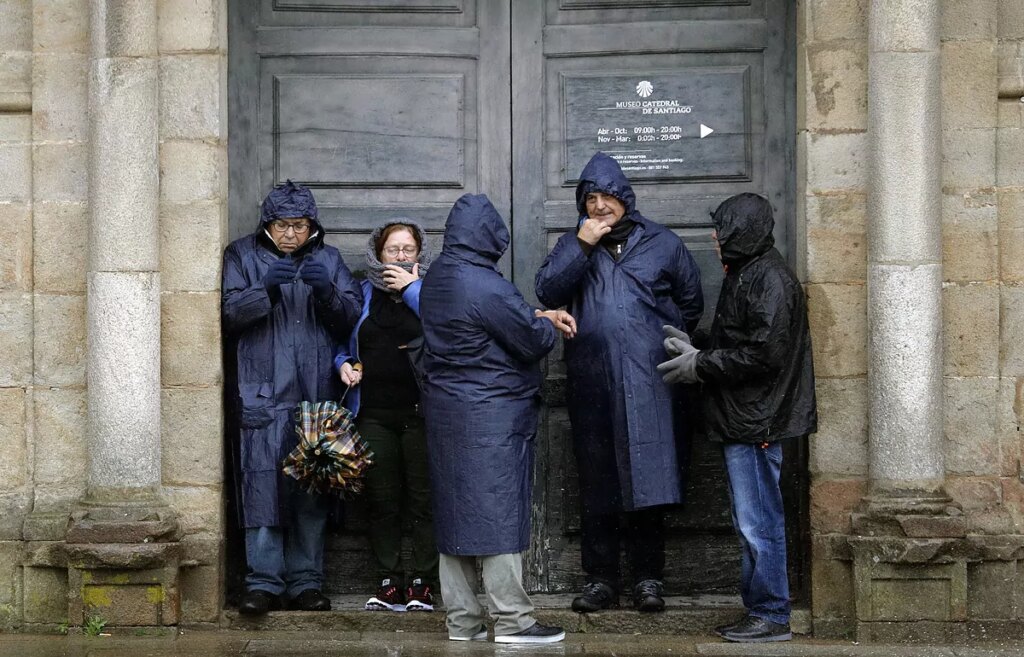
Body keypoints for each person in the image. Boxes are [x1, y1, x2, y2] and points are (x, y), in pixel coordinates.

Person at [535, 152, 704, 613]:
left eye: (607, 196)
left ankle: (649, 579)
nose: (599, 206)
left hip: (654, 386)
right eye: (591, 198)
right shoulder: (574, 243)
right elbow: (547, 291)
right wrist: (582, 246)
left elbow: (691, 303)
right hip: (593, 383)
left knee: (650, 480)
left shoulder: (663, 244)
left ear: (624, 198)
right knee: (598, 483)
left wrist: (650, 339)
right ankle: (600, 579)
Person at [657, 192, 817, 643]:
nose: (713, 235)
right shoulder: (746, 271)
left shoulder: (771, 280)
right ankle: (760, 611)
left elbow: (764, 353)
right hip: (743, 417)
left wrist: (701, 364)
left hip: (757, 421)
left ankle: (770, 614)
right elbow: (738, 336)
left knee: (758, 520)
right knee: (751, 518)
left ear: (741, 230)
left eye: (722, 227)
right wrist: (699, 343)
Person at [419, 193, 575, 644]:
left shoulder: (437, 278)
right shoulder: (484, 283)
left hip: (447, 412)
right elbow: (529, 340)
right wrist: (546, 323)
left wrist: (534, 314)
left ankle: (462, 623)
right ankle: (513, 621)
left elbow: (488, 324)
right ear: (490, 237)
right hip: (490, 414)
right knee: (497, 515)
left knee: (454, 518)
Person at [222, 180, 363, 615]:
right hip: (262, 391)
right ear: (268, 224)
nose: (290, 235)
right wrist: (261, 291)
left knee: (311, 490)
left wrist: (328, 293)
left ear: (311, 226)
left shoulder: (329, 259)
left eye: (299, 226)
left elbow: (352, 320)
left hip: (315, 395)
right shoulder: (241, 255)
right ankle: (263, 583)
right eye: (282, 225)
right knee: (261, 484)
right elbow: (226, 315)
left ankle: (307, 582)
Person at [333, 220, 438, 612]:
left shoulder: (431, 291)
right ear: (378, 254)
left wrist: (410, 288)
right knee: (382, 500)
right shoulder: (362, 293)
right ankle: (388, 580)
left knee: (423, 501)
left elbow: (443, 328)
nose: (400, 255)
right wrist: (343, 363)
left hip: (421, 414)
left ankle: (423, 583)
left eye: (408, 249)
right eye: (392, 249)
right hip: (373, 414)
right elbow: (342, 342)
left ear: (419, 253)